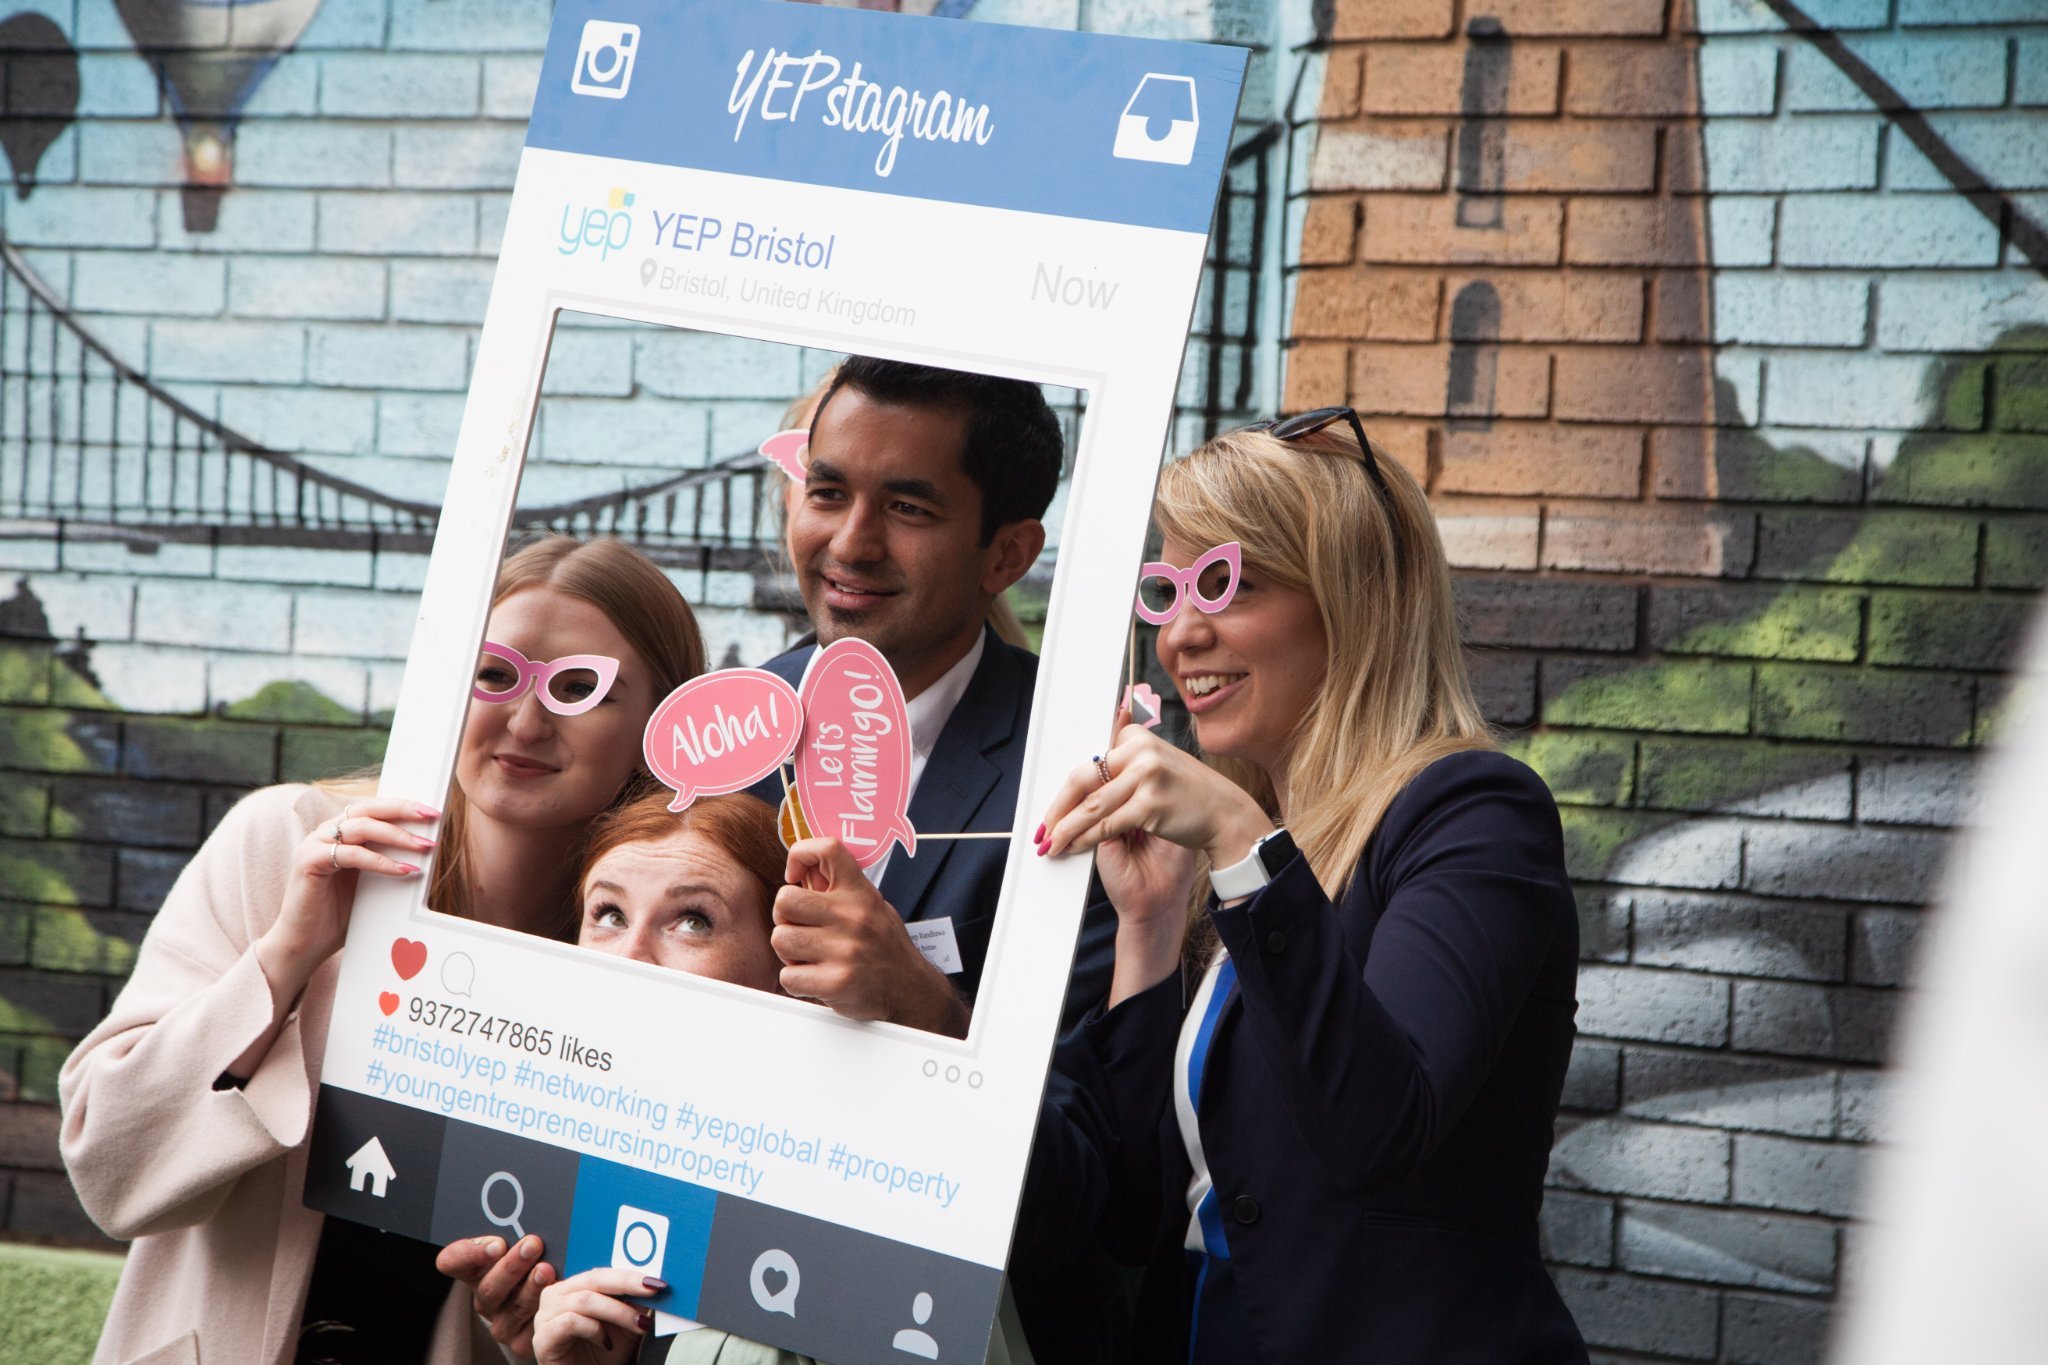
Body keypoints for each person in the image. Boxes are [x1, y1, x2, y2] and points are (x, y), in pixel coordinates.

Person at [58, 535, 704, 1365]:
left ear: (662, 722)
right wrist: (287, 954)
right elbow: (110, 1167)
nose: (527, 717)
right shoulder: (287, 843)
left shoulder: (645, 958)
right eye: (494, 674)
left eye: (580, 688)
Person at [1033, 409, 1589, 1362]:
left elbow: (1381, 1127)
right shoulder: (1257, 868)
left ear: (1351, 598)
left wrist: (1245, 846)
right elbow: (1131, 1214)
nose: (1181, 634)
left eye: (1225, 582)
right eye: (1167, 592)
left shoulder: (1473, 811)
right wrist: (1153, 924)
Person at [751, 354, 1115, 1038]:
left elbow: (1086, 1122)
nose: (851, 544)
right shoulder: (715, 740)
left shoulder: (1080, 777)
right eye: (827, 492)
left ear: (1008, 555)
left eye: (907, 508)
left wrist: (923, 1003)